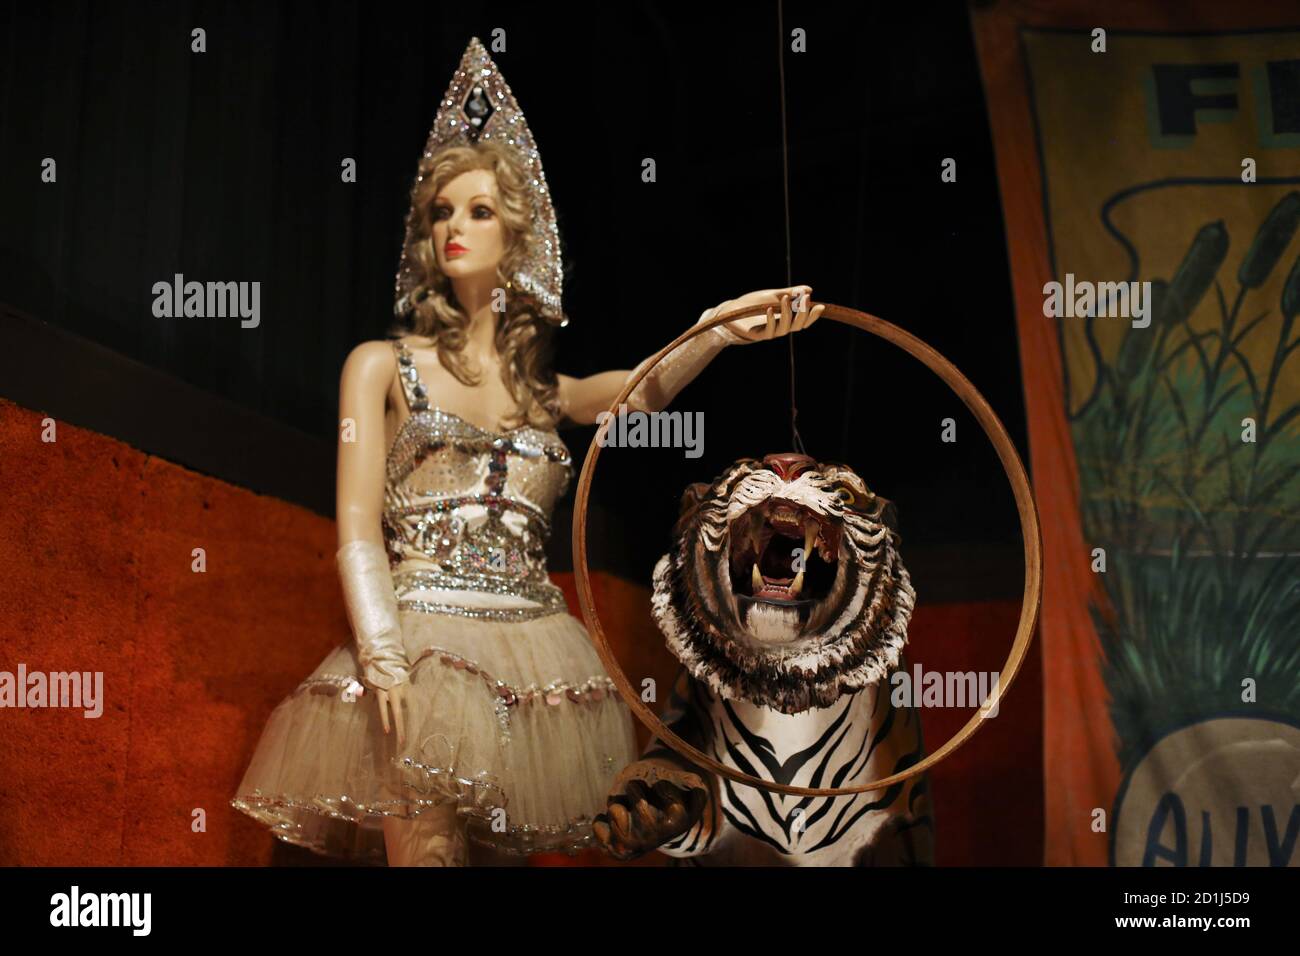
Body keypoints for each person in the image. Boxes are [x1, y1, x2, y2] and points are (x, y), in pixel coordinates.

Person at [230, 37, 821, 866]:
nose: (453, 229)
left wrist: (715, 330)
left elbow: (642, 392)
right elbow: (357, 524)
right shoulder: (380, 367)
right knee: (427, 854)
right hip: (422, 642)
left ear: (518, 233)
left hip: (533, 650)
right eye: (440, 213)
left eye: (476, 210)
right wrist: (384, 655)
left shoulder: (548, 392)